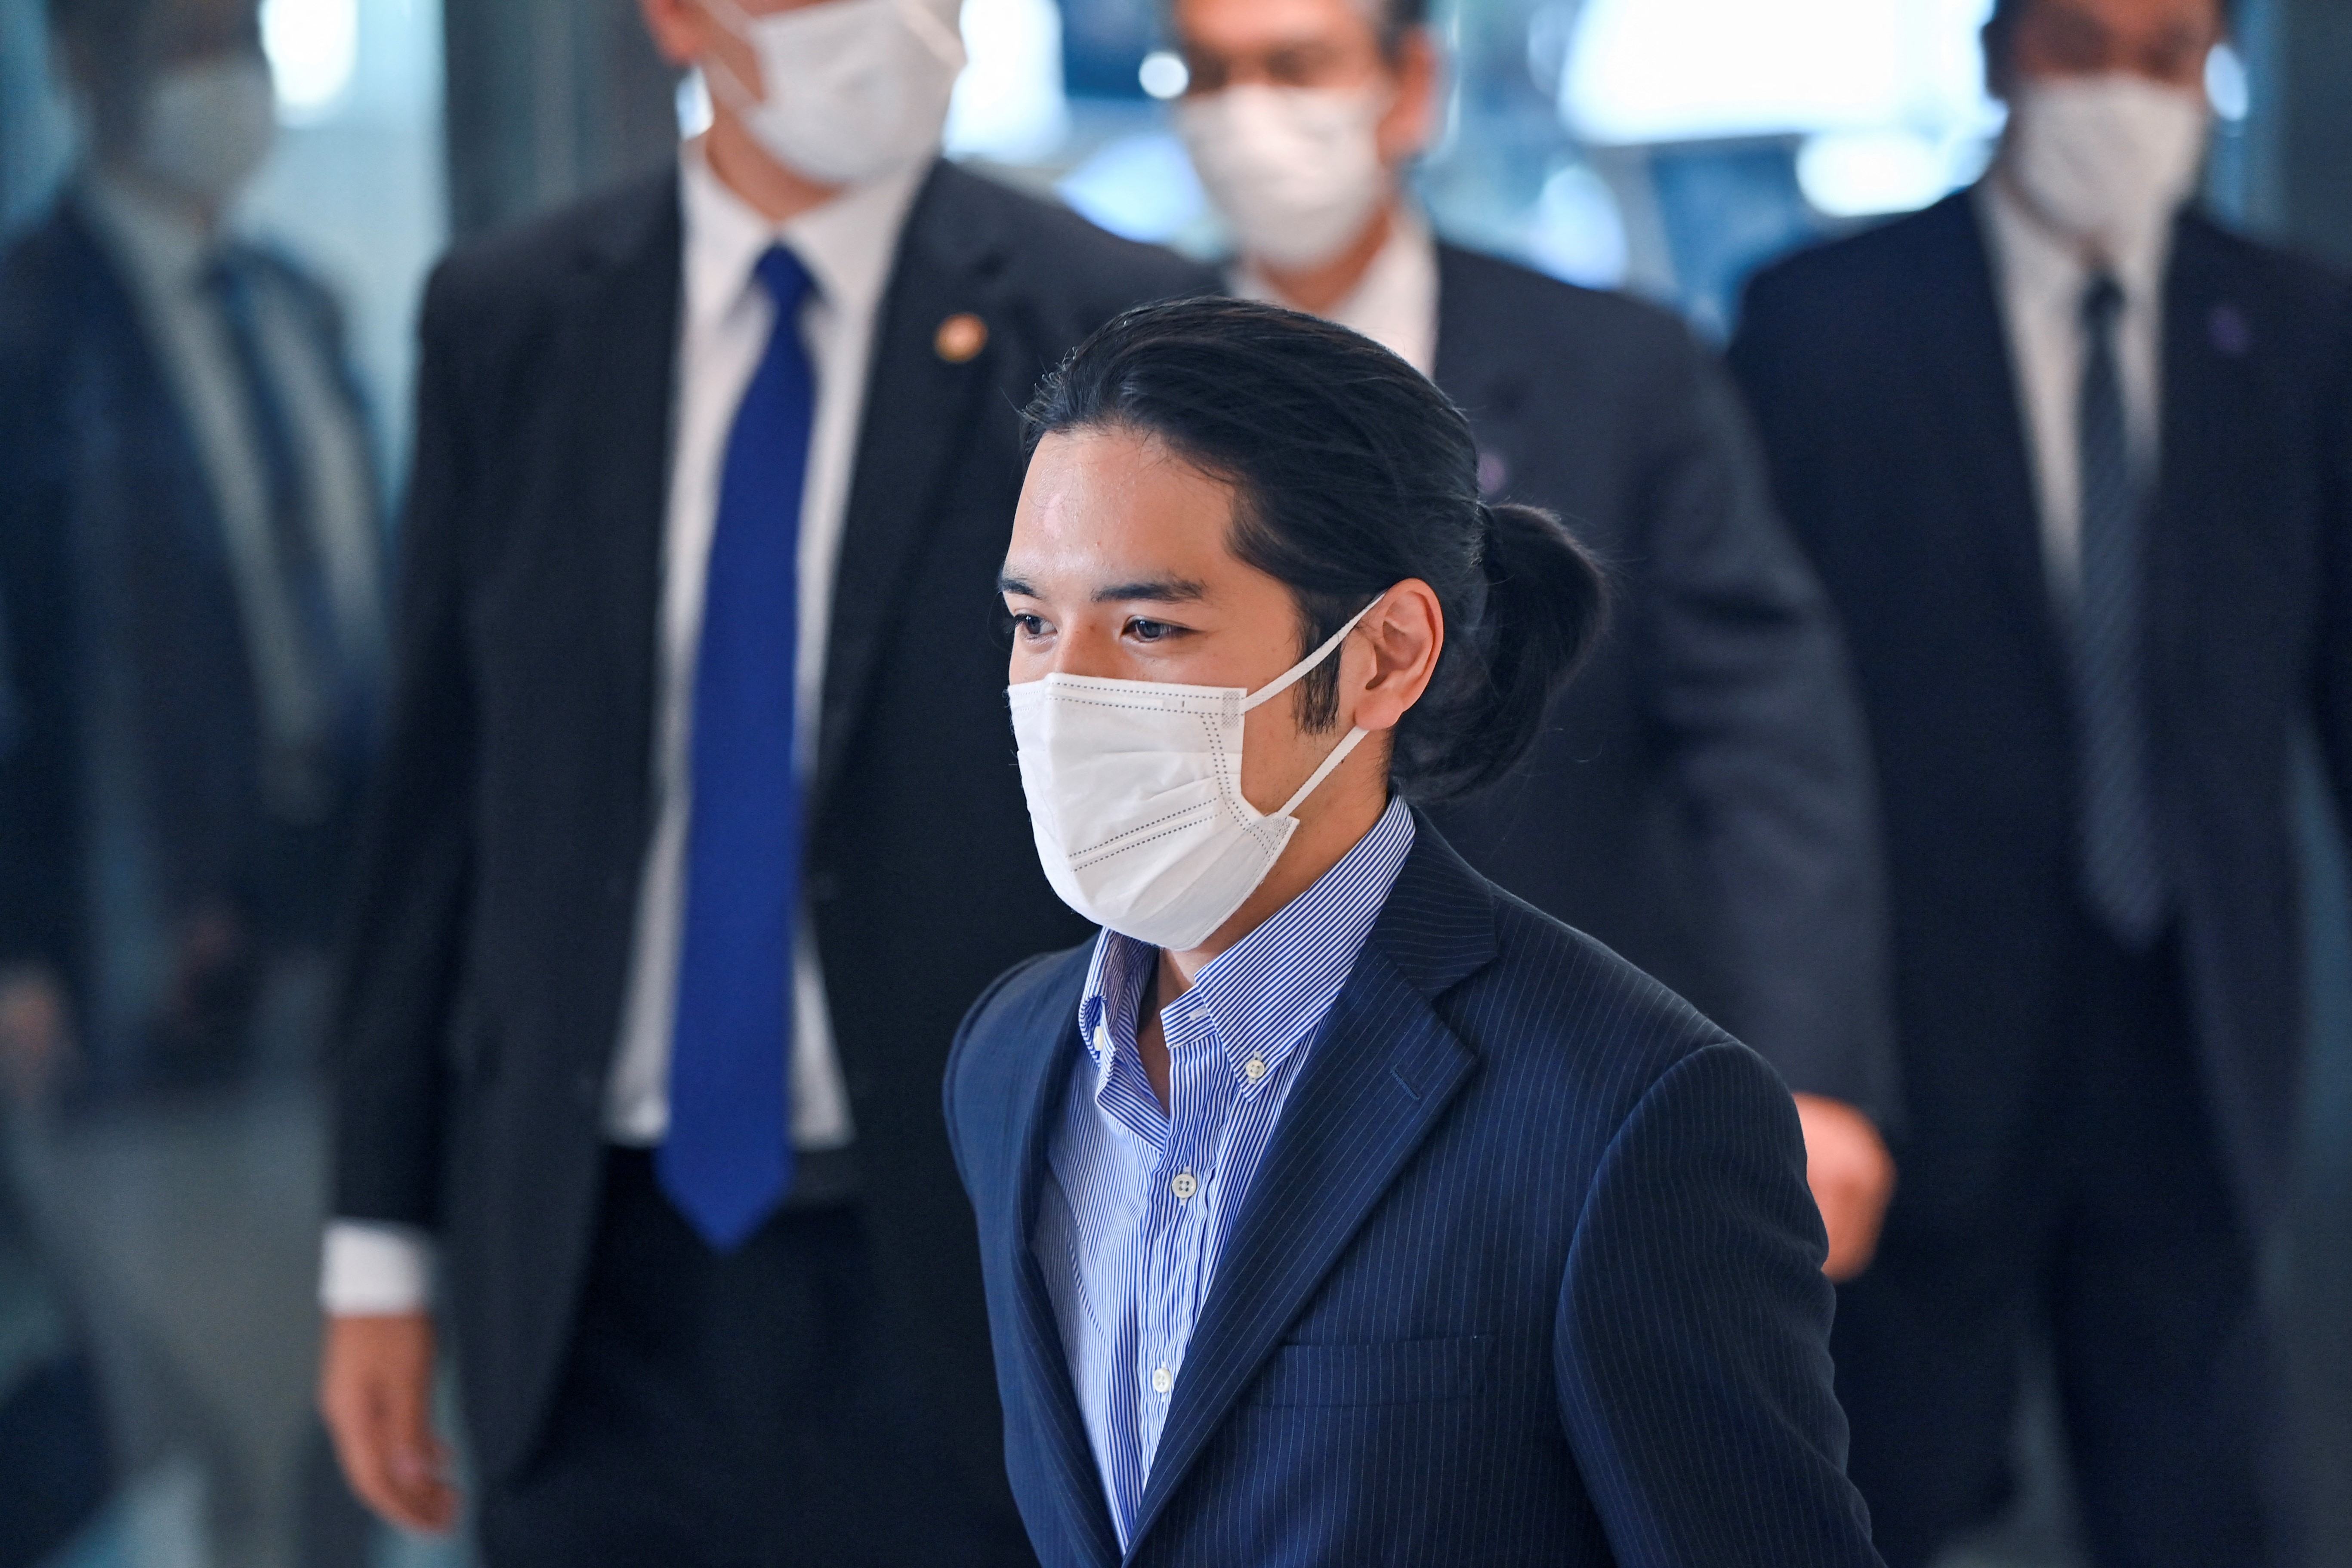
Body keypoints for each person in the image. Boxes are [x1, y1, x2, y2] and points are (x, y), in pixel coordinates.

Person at [314, 0, 1211, 1562]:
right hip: (588, 1256)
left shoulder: (1108, 317)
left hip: (967, 1241)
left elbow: (1183, 807)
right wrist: (379, 1246)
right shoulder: (511, 316)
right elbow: (439, 798)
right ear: (678, 17)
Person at [947, 295, 1884, 1566]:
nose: (1067, 692)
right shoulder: (1010, 1057)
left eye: (1151, 626)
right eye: (1032, 622)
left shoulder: (1629, 1112)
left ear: (1385, 655)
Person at [1727, 0, 2352, 1562]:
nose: (2118, 92)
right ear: (1997, 55)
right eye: (2080, 43)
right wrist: (1786, 1029)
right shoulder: (1822, 324)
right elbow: (1756, 711)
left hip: (2192, 1021)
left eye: (2162, 51)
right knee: (1880, 1487)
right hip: (1915, 1030)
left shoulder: (2291, 326)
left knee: (2206, 1496)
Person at [1166, 0, 1899, 1279]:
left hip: (1571, 1056)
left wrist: (1810, 1070)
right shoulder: (1121, 369)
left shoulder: (1618, 367)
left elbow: (1762, 734)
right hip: (1218, 1090)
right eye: (1213, 72)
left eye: (1296, 65)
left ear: (1407, 88)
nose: (1251, 115)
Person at [0, 0, 386, 1560]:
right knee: (180, 1414)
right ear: (90, 71)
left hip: (327, 944)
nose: (228, 82)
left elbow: (357, 612)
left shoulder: (301, 307)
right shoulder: (25, 332)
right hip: (127, 979)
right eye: (186, 45)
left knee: (340, 1404)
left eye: (247, 41)